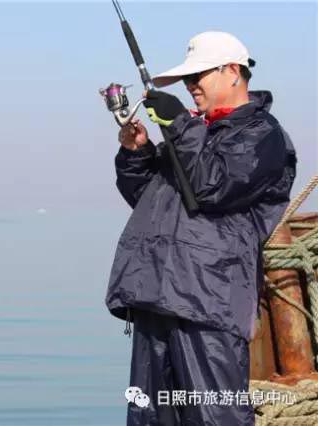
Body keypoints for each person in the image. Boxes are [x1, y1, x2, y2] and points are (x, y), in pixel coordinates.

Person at [105, 31, 297, 425]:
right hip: (155, 296)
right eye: (186, 79)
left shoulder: (263, 135)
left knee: (215, 416)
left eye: (198, 75)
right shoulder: (195, 132)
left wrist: (178, 123)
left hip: (209, 302)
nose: (190, 85)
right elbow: (148, 199)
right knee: (150, 416)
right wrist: (137, 152)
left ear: (233, 72)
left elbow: (214, 186)